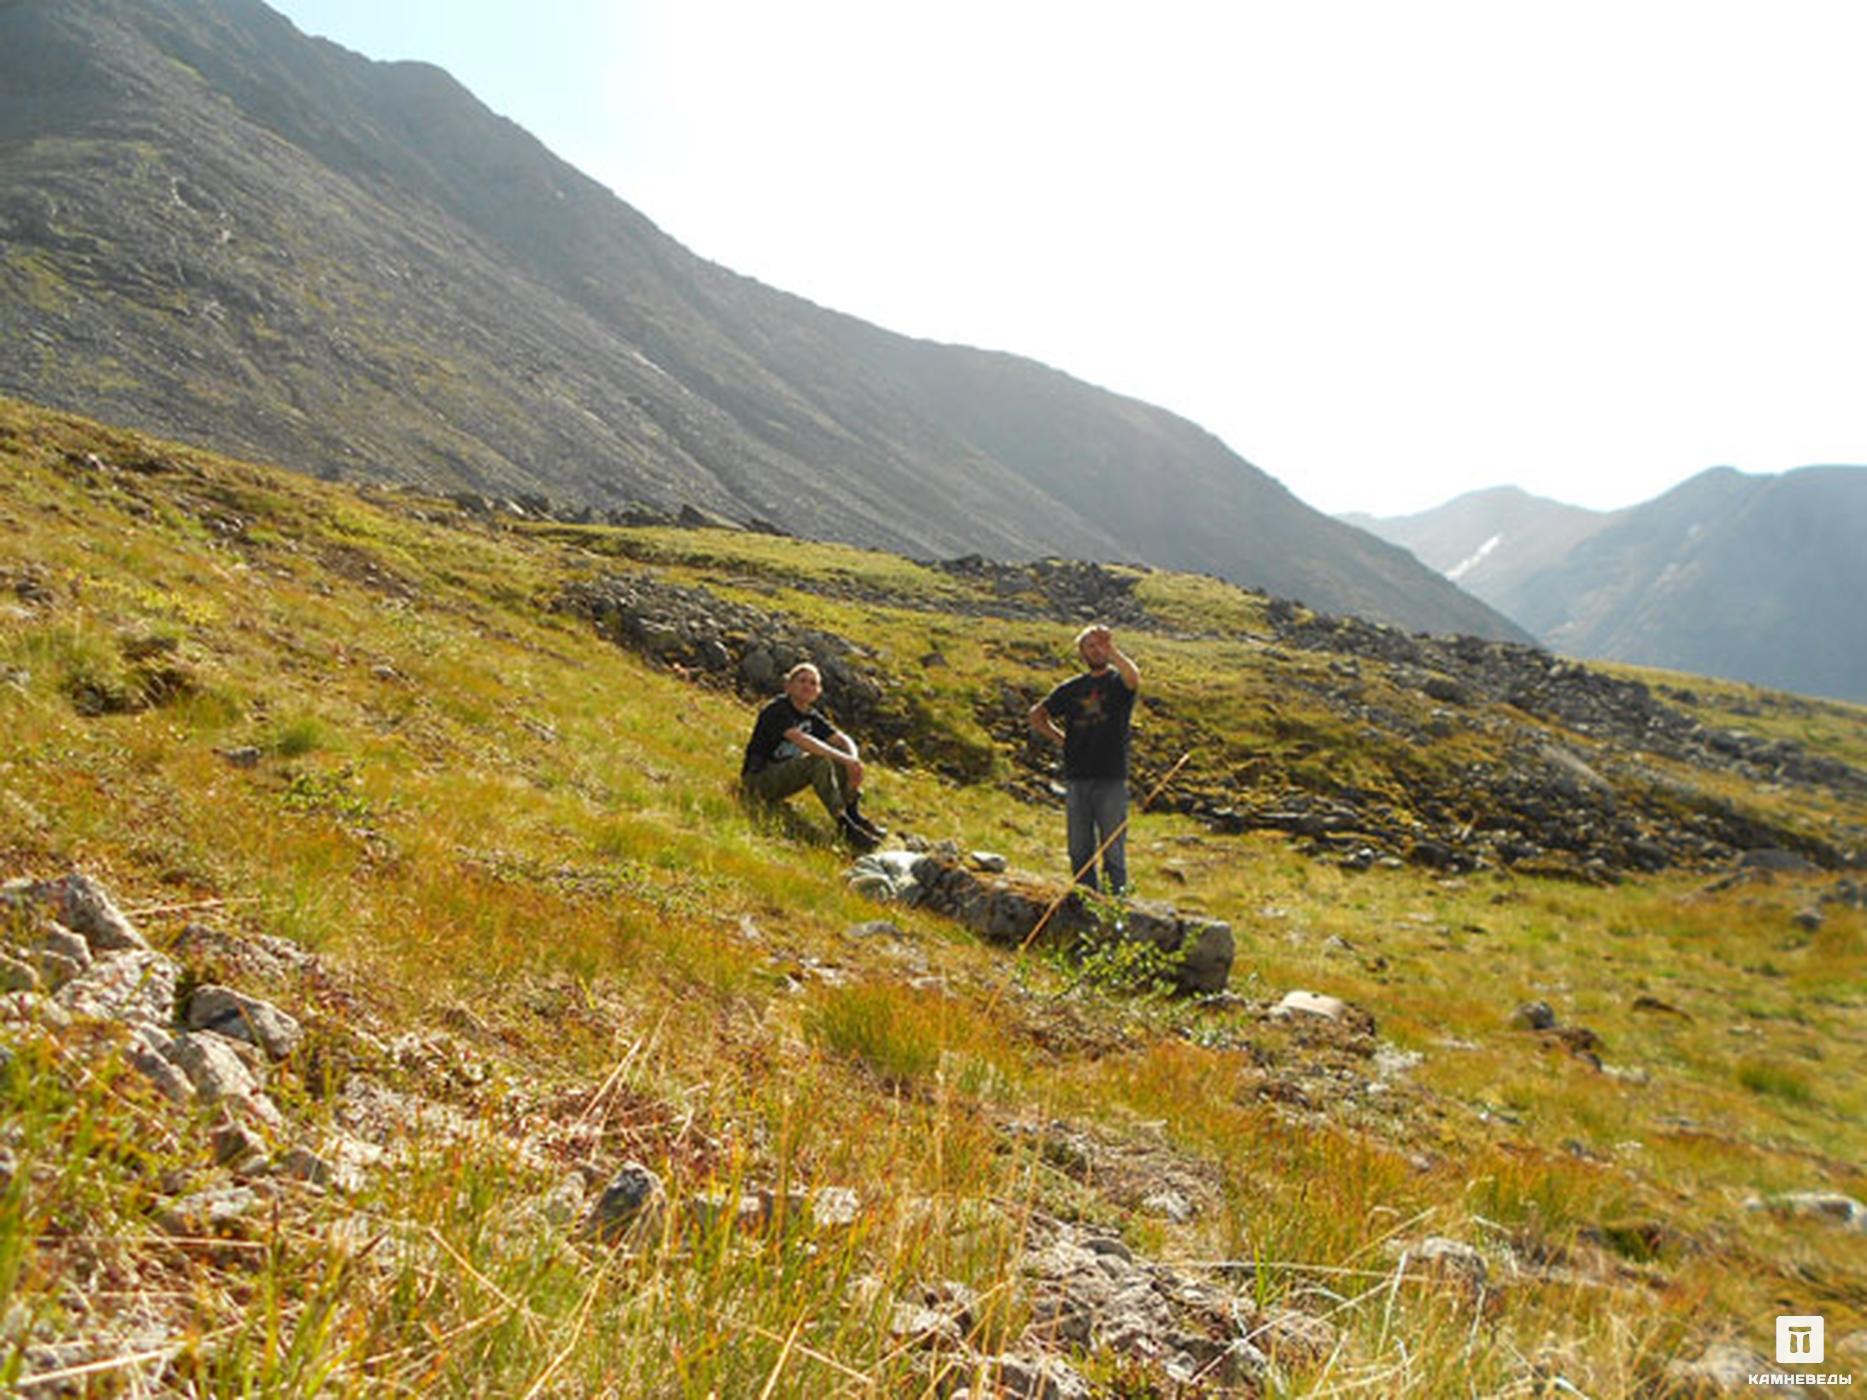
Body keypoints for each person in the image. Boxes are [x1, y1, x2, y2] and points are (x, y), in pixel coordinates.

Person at [1028, 624, 1140, 893]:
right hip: (1077, 777)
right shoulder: (1071, 688)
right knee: (1078, 849)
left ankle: (1116, 908)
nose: (1097, 650)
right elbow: (1036, 715)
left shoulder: (1117, 683)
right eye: (1090, 646)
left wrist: (1113, 651)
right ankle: (1086, 903)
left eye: (1100, 645)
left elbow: (1133, 677)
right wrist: (1060, 739)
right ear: (1082, 653)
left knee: (1113, 849)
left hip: (1111, 777)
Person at [742, 662, 885, 851]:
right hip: (758, 780)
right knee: (818, 760)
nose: (807, 686)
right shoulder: (776, 710)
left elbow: (842, 739)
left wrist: (854, 762)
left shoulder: (811, 716)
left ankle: (853, 814)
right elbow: (801, 739)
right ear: (789, 686)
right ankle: (844, 825)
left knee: (839, 760)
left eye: (813, 683)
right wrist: (847, 760)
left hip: (783, 778)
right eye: (802, 681)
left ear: (818, 691)